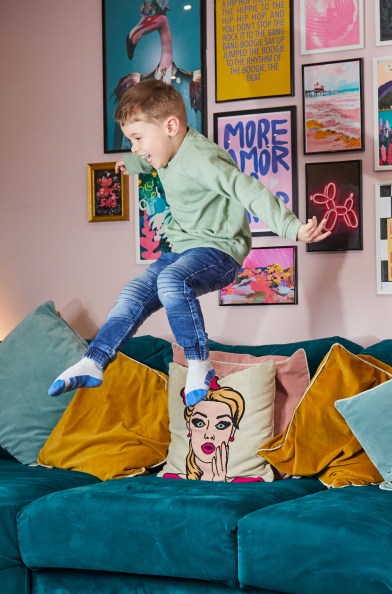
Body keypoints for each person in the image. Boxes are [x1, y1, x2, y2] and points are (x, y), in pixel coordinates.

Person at [49, 79, 330, 405]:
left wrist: (292, 228)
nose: (136, 147)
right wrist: (131, 162)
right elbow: (153, 158)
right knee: (133, 294)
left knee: (171, 281)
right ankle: (94, 360)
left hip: (220, 251)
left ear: (171, 126)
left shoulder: (201, 158)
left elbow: (246, 189)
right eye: (131, 141)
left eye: (138, 139)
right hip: (184, 251)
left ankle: (200, 364)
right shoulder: (167, 152)